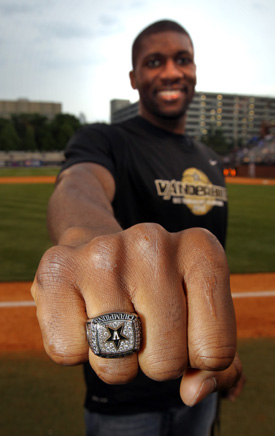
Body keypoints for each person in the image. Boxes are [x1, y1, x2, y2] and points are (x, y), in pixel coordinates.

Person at [31, 20, 244, 436]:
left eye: (182, 59)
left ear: (195, 69)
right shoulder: (105, 139)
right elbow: (79, 185)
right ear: (134, 78)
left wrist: (223, 351)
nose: (170, 72)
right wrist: (86, 238)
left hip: (199, 387)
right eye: (154, 62)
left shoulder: (210, 160)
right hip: (123, 396)